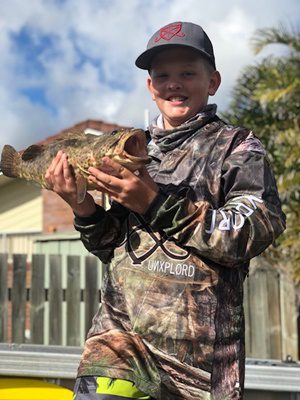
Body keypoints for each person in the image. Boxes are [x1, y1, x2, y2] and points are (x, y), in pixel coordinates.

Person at [45, 21, 286, 400]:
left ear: (213, 82)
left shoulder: (239, 149)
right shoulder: (129, 148)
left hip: (199, 367)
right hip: (119, 343)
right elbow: (112, 247)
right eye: (163, 75)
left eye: (188, 73)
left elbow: (250, 232)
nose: (174, 83)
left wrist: (154, 203)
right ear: (150, 87)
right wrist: (82, 205)